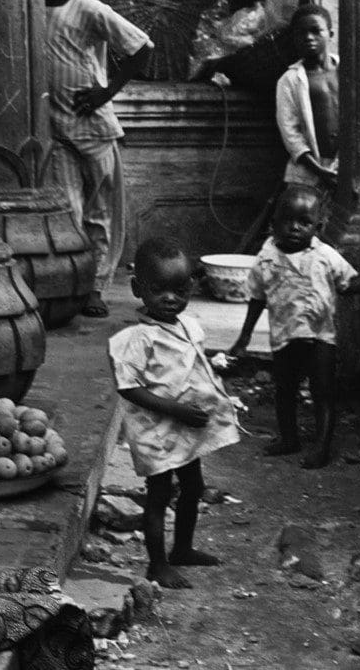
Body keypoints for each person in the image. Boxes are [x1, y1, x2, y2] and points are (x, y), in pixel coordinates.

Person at [108, 235, 239, 589]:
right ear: (138, 289)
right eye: (159, 291)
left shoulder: (188, 326)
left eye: (179, 291)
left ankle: (182, 548)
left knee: (194, 486)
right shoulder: (135, 340)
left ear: (192, 287)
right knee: (158, 496)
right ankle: (157, 565)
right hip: (156, 431)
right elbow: (128, 388)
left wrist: (216, 373)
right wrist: (177, 410)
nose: (171, 299)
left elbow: (190, 366)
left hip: (184, 430)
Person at [230, 184, 360, 469]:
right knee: (284, 390)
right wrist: (245, 336)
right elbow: (257, 298)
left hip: (320, 337)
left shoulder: (325, 255)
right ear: (273, 223)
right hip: (284, 338)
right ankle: (289, 439)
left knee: (323, 392)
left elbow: (347, 285)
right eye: (287, 221)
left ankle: (322, 446)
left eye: (304, 222)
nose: (294, 228)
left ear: (319, 225)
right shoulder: (266, 258)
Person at [45, 0, 153, 317]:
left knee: (101, 211)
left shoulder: (90, 9)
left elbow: (142, 47)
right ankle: (71, 284)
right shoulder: (27, 4)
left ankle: (95, 287)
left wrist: (106, 93)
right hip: (54, 129)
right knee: (68, 211)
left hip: (94, 127)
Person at [275, 4, 339, 197]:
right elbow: (290, 134)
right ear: (294, 39)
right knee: (303, 220)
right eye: (302, 33)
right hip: (308, 170)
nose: (309, 37)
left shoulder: (347, 71)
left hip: (345, 167)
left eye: (316, 31)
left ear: (330, 33)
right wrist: (319, 170)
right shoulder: (290, 80)